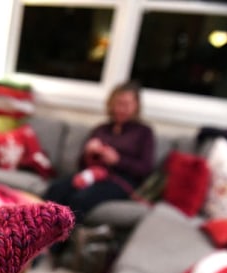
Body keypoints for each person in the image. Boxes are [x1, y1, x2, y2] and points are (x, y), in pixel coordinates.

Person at [43, 81, 155, 224]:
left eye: (127, 104)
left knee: (79, 199)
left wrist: (118, 161)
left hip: (121, 181)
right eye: (118, 103)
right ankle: (37, 236)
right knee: (56, 189)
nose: (121, 108)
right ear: (111, 104)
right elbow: (81, 165)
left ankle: (55, 245)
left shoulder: (144, 132)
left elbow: (145, 169)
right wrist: (88, 153)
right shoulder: (101, 129)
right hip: (93, 174)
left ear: (136, 106)